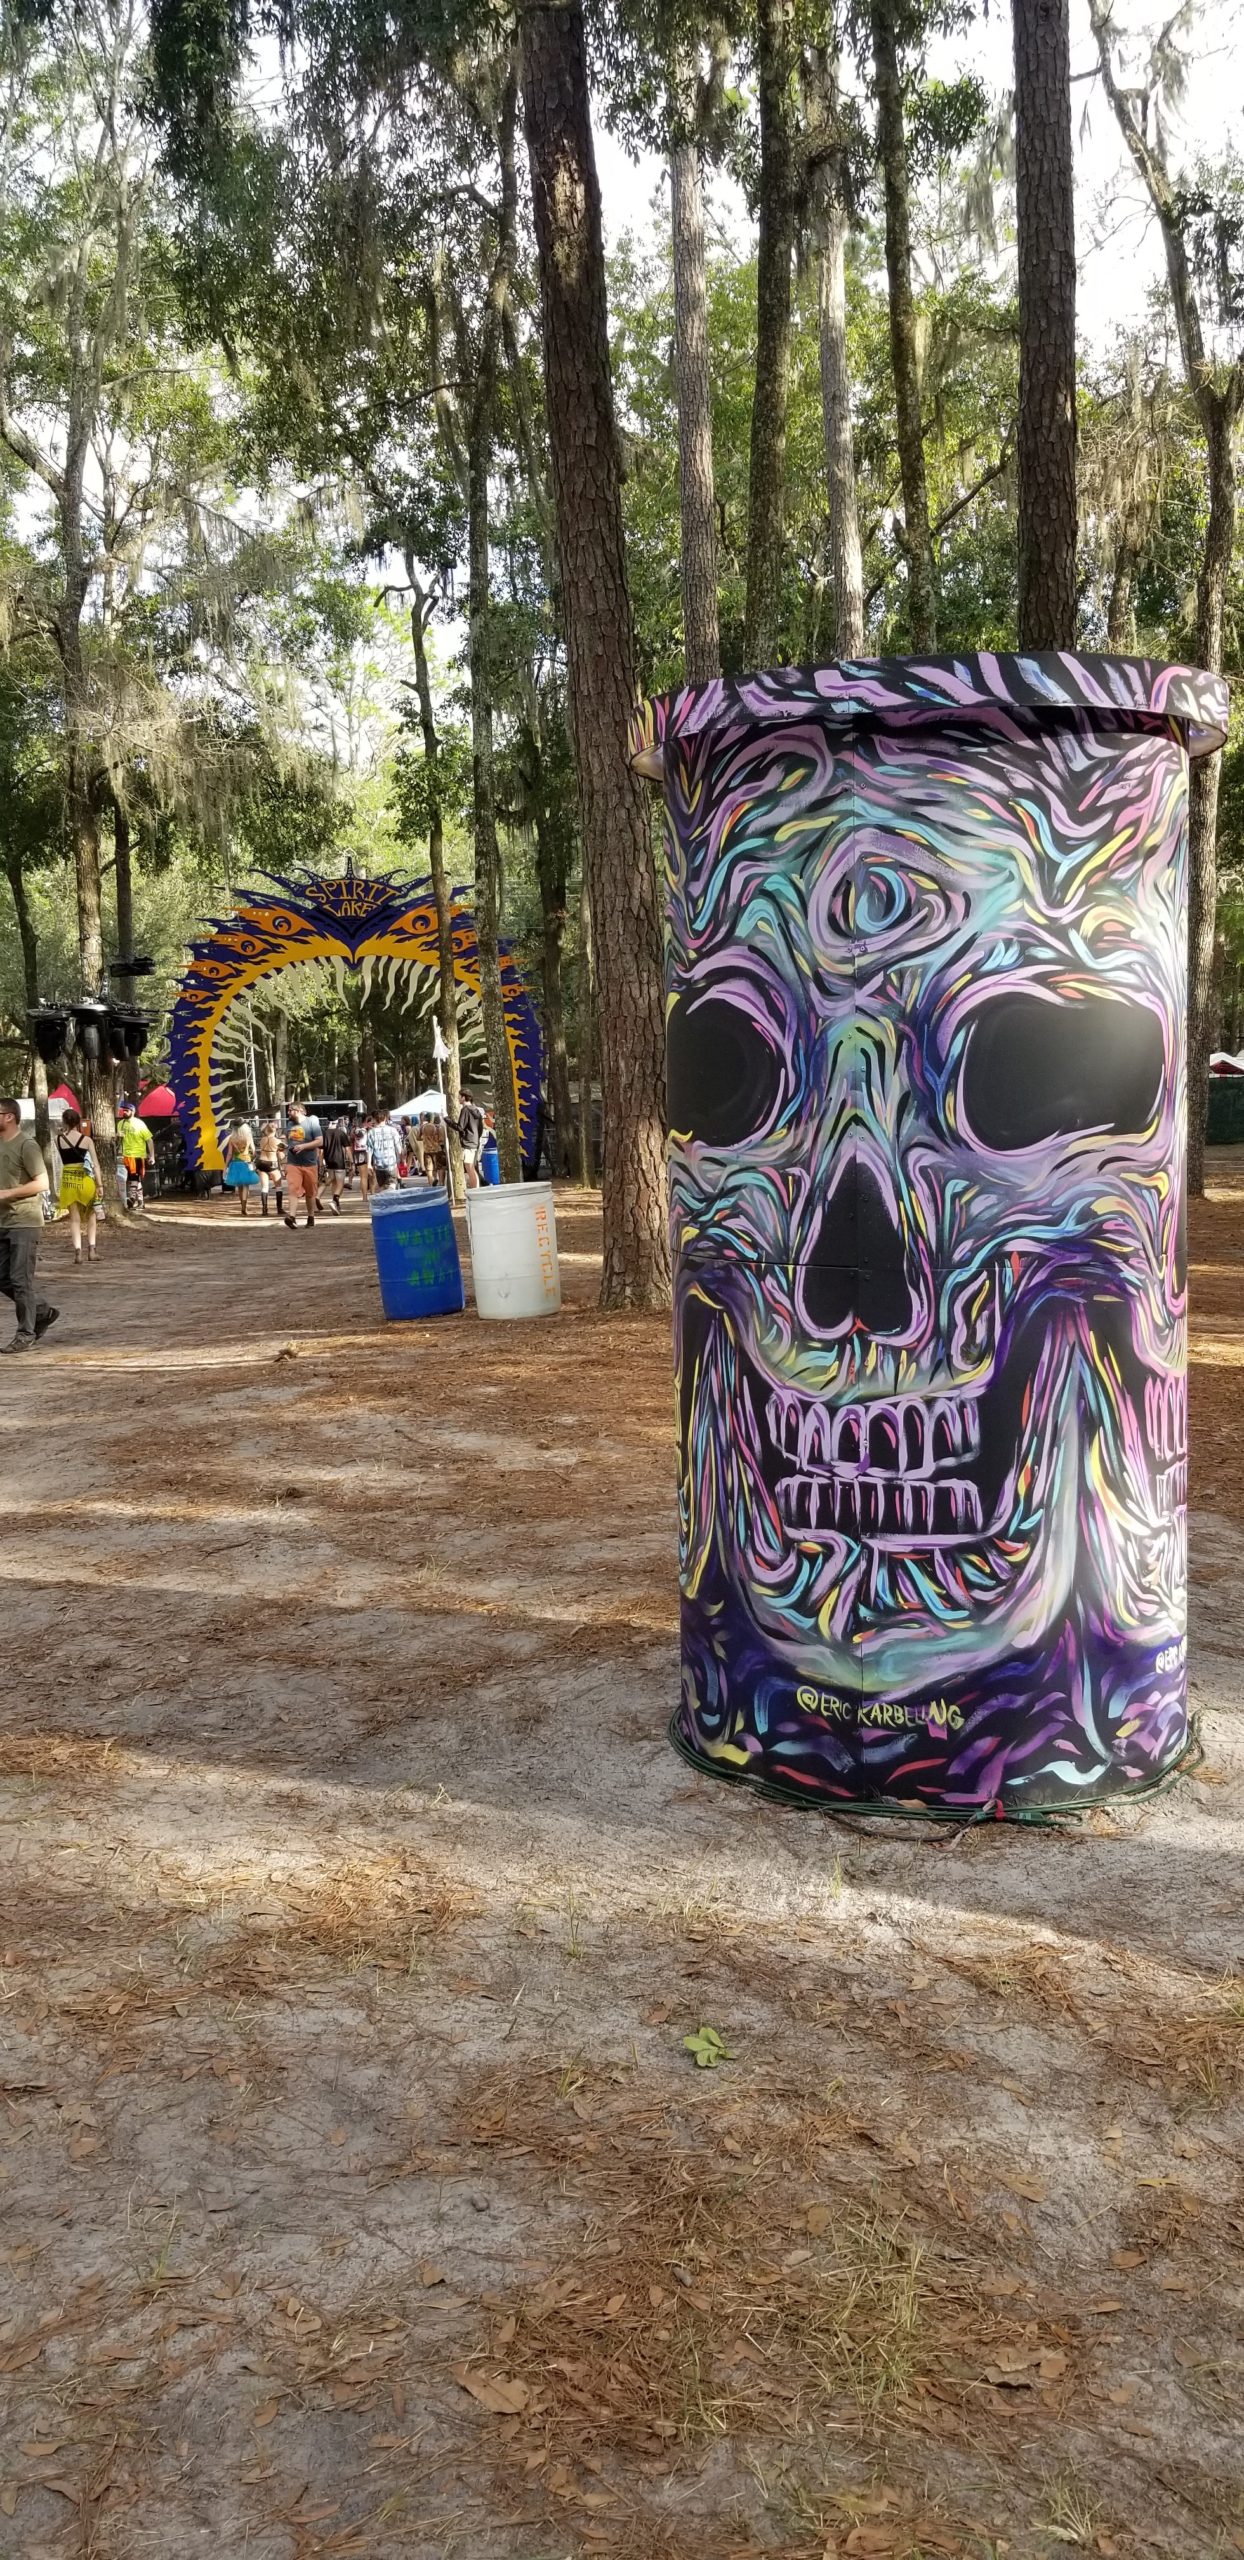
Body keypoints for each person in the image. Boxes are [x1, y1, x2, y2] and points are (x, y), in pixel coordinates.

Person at [0, 1097, 58, 1354]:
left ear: (9, 1116)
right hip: (3, 1220)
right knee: (2, 1277)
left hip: (24, 1221)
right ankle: (42, 1312)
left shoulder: (27, 1145)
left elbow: (42, 1183)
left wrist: (7, 1194)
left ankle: (26, 1333)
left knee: (20, 1280)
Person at [57, 1109, 102, 1264]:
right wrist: (99, 1184)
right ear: (78, 1122)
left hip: (68, 1180)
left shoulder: (58, 1139)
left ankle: (78, 1252)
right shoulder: (87, 1140)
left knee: (74, 1218)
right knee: (91, 1215)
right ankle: (92, 1251)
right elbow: (95, 1164)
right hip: (85, 1179)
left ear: (64, 1121)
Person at [282, 1099, 322, 1229]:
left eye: (290, 1110)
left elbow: (320, 1141)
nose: (288, 1113)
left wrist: (303, 1146)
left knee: (310, 1193)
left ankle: (311, 1216)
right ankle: (292, 1217)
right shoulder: (289, 1124)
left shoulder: (311, 1123)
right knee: (293, 1189)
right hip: (293, 1163)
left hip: (310, 1163)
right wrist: (283, 1146)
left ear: (299, 1110)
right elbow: (288, 1141)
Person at [116, 1102, 154, 1210]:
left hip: (138, 1155)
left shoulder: (140, 1124)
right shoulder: (120, 1124)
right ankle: (141, 1202)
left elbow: (149, 1140)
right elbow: (118, 1139)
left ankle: (132, 1199)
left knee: (134, 1177)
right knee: (135, 1179)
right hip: (126, 1155)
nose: (124, 1112)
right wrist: (117, 1136)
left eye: (126, 1110)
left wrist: (152, 1156)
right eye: (123, 1110)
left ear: (132, 1111)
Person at [223, 1115, 259, 1215]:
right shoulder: (248, 1137)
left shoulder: (232, 1139)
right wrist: (252, 1158)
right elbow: (254, 1151)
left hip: (235, 1163)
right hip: (246, 1162)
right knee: (246, 1186)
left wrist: (226, 1165)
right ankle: (244, 1206)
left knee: (239, 1186)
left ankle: (242, 1206)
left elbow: (229, 1153)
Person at [453, 1091, 486, 1190]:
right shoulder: (476, 1110)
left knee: (469, 1167)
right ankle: (475, 1188)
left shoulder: (465, 1110)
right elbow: (480, 1127)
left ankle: (474, 1189)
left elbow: (460, 1127)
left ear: (464, 1097)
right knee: (471, 1167)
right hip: (474, 1141)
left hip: (468, 1142)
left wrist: (446, 1119)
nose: (458, 1098)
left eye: (459, 1096)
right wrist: (476, 1137)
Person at [364, 1110, 403, 1192]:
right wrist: (402, 1159)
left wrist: (369, 1164)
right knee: (392, 1184)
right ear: (385, 1118)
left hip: (379, 1165)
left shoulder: (371, 1132)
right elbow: (398, 1148)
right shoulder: (393, 1130)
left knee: (382, 1186)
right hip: (391, 1163)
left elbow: (369, 1149)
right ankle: (390, 1194)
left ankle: (385, 1196)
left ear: (374, 1119)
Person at [321, 1113, 349, 1215]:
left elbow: (321, 1150)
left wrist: (321, 1162)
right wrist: (351, 1160)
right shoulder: (341, 1133)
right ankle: (334, 1200)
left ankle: (337, 1204)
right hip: (339, 1161)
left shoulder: (324, 1133)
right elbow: (347, 1148)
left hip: (329, 1161)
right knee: (340, 1183)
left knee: (333, 1182)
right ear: (337, 1121)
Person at [256, 1116, 283, 1218]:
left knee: (264, 1187)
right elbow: (281, 1156)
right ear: (275, 1130)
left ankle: (264, 1209)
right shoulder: (278, 1141)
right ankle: (279, 1208)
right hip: (272, 1163)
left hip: (261, 1162)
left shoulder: (262, 1140)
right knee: (278, 1186)